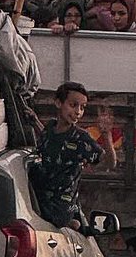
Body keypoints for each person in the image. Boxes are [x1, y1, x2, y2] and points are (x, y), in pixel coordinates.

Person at [30, 82, 117, 231]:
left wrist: (106, 135)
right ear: (58, 103)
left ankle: (72, 225)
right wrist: (33, 119)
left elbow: (109, 163)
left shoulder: (81, 138)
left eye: (82, 107)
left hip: (60, 205)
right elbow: (48, 137)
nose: (78, 112)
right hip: (38, 196)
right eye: (73, 105)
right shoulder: (50, 127)